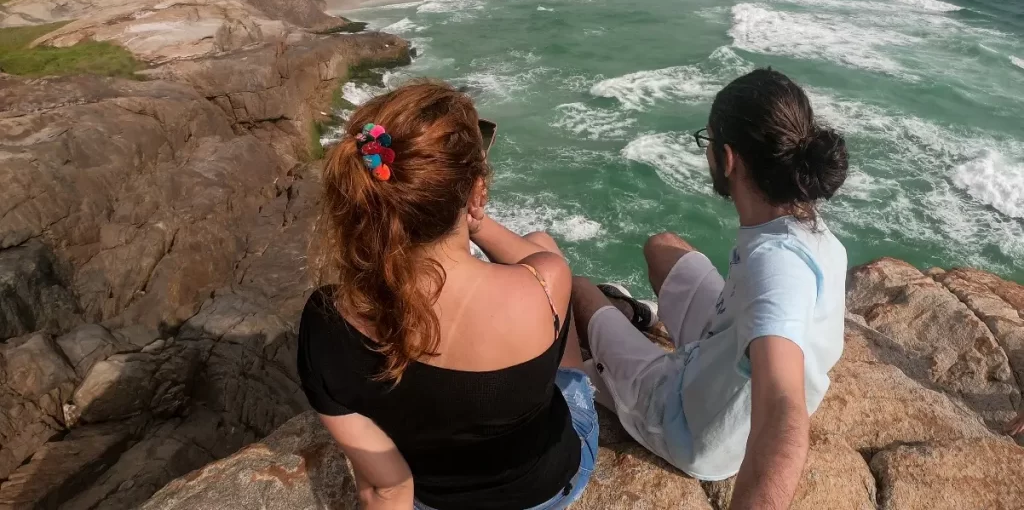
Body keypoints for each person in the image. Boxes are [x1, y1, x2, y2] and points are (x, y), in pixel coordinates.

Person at [298, 81, 598, 510]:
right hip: (544, 491)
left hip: (433, 499)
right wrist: (478, 223)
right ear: (477, 191)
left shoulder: (327, 320)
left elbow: (387, 488)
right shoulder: (544, 282)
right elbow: (544, 260)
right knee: (545, 258)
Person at [572, 68, 849, 510]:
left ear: (728, 158)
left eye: (708, 143)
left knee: (580, 292)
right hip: (720, 357)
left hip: (692, 426)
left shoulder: (776, 268)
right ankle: (636, 317)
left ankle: (604, 353)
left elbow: (782, 411)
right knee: (663, 248)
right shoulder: (806, 229)